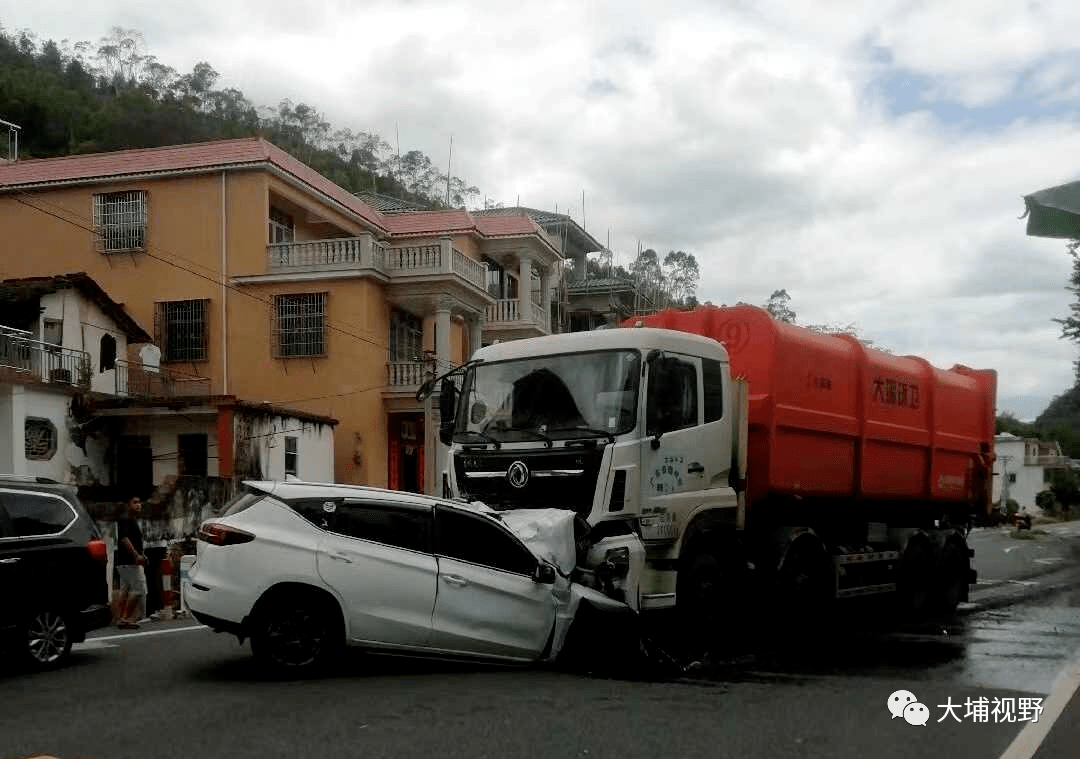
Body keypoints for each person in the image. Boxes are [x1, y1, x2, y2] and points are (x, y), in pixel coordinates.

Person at [114, 495, 148, 629]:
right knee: (138, 589)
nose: (138, 505)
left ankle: (120, 617)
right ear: (128, 505)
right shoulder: (125, 519)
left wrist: (142, 555)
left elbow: (135, 540)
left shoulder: (131, 519)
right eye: (135, 502)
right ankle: (126, 618)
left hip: (127, 562)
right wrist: (136, 555)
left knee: (126, 589)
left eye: (140, 502)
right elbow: (124, 539)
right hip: (129, 561)